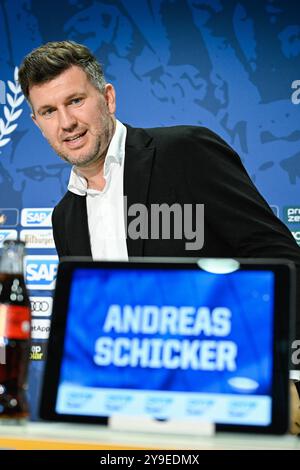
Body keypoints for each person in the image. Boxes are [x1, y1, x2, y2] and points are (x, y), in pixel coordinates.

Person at [18, 40, 300, 433]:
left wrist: (280, 372)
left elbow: (281, 259)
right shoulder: (65, 216)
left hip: (226, 399)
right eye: (49, 111)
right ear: (36, 122)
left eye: (76, 101)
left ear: (108, 98)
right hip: (126, 412)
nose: (66, 122)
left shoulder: (184, 151)